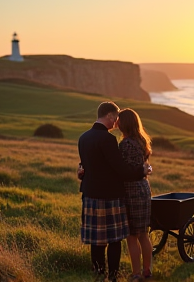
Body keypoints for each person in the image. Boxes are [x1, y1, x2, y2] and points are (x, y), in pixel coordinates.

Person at [78, 101, 151, 282]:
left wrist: (81, 173)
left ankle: (98, 273)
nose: (116, 123)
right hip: (109, 195)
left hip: (89, 194)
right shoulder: (109, 140)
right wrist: (141, 171)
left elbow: (85, 166)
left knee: (96, 240)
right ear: (109, 116)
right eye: (115, 118)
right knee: (114, 239)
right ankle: (112, 276)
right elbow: (120, 170)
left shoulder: (83, 137)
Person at [116, 108, 153, 282]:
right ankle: (147, 270)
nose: (116, 123)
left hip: (131, 191)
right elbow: (143, 167)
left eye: (119, 120)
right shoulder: (142, 141)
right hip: (144, 188)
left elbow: (124, 171)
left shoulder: (125, 144)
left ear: (125, 124)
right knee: (143, 233)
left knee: (131, 236)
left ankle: (136, 273)